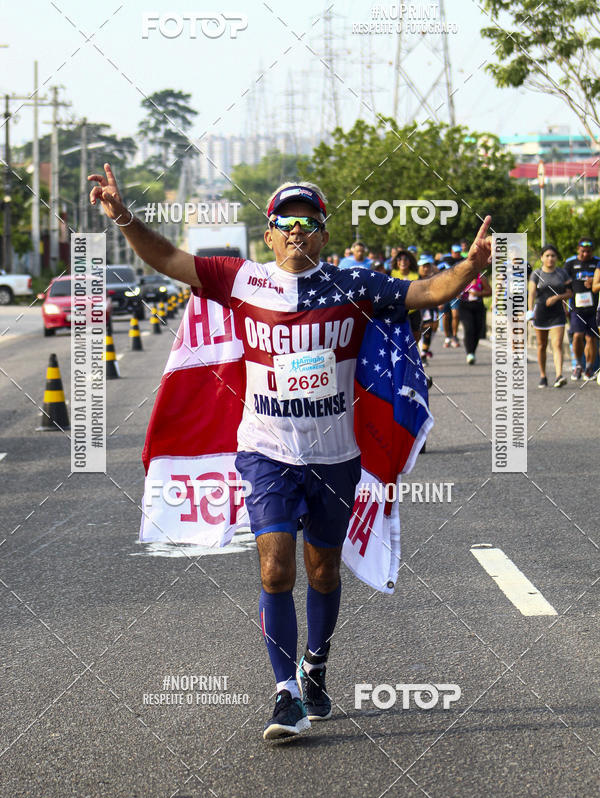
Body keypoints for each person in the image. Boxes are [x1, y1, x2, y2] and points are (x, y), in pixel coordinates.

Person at [88, 165, 493, 741]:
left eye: (308, 223)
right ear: (269, 234)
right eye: (286, 223)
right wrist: (124, 217)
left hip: (335, 459)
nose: (297, 231)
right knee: (276, 569)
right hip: (266, 452)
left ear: (323, 235)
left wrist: (472, 267)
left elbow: (426, 291)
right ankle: (285, 696)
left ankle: (316, 664)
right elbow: (170, 259)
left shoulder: (355, 287)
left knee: (322, 571)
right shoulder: (241, 280)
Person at [528, 245, 572, 388]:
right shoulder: (537, 273)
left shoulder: (562, 273)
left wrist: (557, 297)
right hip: (541, 312)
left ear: (556, 258)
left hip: (558, 313)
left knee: (557, 344)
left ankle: (559, 375)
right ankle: (543, 375)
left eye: (553, 256)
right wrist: (530, 311)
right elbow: (532, 293)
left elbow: (570, 293)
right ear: (542, 258)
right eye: (547, 255)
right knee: (542, 345)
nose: (550, 258)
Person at [562, 238, 600, 380]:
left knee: (591, 339)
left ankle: (589, 368)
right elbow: (564, 285)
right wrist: (564, 305)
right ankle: (578, 365)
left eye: (589, 252)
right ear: (578, 249)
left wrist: (594, 281)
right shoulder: (570, 262)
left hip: (593, 308)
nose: (585, 254)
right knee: (577, 336)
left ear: (592, 251)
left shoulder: (597, 262)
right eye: (583, 251)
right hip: (576, 308)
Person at [457, 273, 492, 364]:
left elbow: (489, 291)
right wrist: (459, 294)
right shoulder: (463, 278)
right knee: (469, 328)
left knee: (477, 330)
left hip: (478, 306)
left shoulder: (482, 278)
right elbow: (454, 291)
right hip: (465, 306)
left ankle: (472, 352)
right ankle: (469, 353)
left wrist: (479, 293)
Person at [416, 256, 439, 361]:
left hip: (430, 306)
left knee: (430, 327)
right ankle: (422, 349)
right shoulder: (415, 278)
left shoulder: (434, 278)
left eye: (427, 266)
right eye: (423, 266)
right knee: (418, 330)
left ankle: (424, 352)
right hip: (416, 308)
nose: (425, 269)